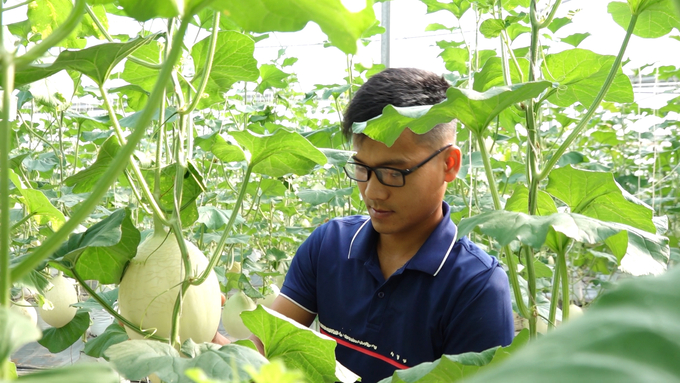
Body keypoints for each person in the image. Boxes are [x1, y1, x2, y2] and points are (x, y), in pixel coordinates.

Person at [216, 68, 514, 383]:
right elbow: (265, 352)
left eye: (393, 172)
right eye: (362, 168)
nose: (372, 192)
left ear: (448, 164)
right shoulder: (329, 245)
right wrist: (210, 345)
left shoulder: (476, 287)